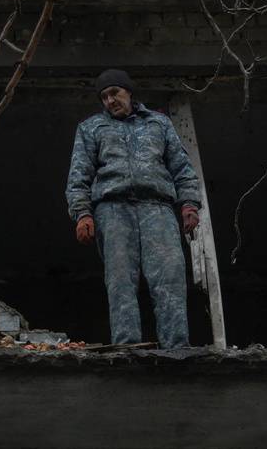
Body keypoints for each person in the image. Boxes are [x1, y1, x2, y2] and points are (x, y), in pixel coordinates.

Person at [64, 69, 203, 348]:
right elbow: (79, 176)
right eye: (104, 97)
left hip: (158, 207)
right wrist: (82, 214)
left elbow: (181, 167)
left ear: (128, 92)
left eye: (114, 93)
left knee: (170, 278)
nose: (110, 100)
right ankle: (127, 348)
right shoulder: (91, 128)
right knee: (120, 282)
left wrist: (189, 203)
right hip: (112, 210)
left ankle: (177, 349)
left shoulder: (159, 123)